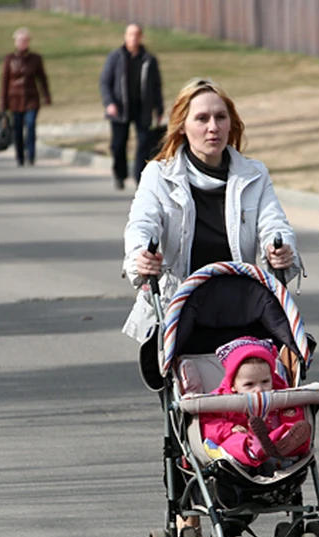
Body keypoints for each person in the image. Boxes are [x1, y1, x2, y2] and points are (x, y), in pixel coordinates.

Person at [121, 77, 302, 343]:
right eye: (202, 119)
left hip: (241, 310)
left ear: (232, 123)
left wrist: (281, 248)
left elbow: (274, 224)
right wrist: (142, 255)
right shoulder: (158, 175)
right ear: (182, 126)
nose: (213, 128)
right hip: (179, 311)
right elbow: (141, 224)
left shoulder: (254, 175)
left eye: (220, 117)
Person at [200, 336, 311, 469]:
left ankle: (287, 442)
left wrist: (291, 415)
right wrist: (229, 429)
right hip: (240, 441)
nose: (258, 389)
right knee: (233, 443)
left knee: (289, 429)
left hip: (273, 443)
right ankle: (253, 449)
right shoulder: (220, 401)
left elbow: (294, 411)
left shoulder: (279, 394)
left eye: (265, 382)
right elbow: (207, 424)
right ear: (233, 384)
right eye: (249, 384)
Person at [99, 23, 163, 190]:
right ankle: (120, 175)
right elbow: (105, 82)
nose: (133, 38)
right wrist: (109, 103)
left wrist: (159, 109)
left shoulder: (149, 59)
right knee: (118, 144)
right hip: (120, 108)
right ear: (125, 36)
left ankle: (140, 179)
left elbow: (156, 86)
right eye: (130, 34)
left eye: (136, 35)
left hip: (143, 108)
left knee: (144, 144)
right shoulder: (116, 57)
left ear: (141, 37)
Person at [0, 28, 51, 167]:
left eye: (25, 40)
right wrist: (3, 104)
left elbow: (42, 78)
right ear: (15, 42)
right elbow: (4, 82)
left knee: (31, 124)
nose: (22, 43)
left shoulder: (36, 59)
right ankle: (20, 156)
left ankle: (31, 155)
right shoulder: (9, 59)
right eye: (20, 40)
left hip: (31, 98)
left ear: (29, 42)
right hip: (14, 99)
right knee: (17, 129)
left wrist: (46, 96)